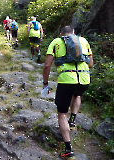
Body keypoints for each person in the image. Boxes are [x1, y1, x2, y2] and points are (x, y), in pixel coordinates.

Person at [42, 26, 93, 159]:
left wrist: (45, 83)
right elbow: (91, 63)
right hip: (84, 79)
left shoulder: (56, 42)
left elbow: (47, 65)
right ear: (74, 33)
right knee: (77, 94)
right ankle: (73, 121)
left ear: (61, 34)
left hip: (66, 80)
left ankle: (69, 150)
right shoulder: (84, 41)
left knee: (61, 113)